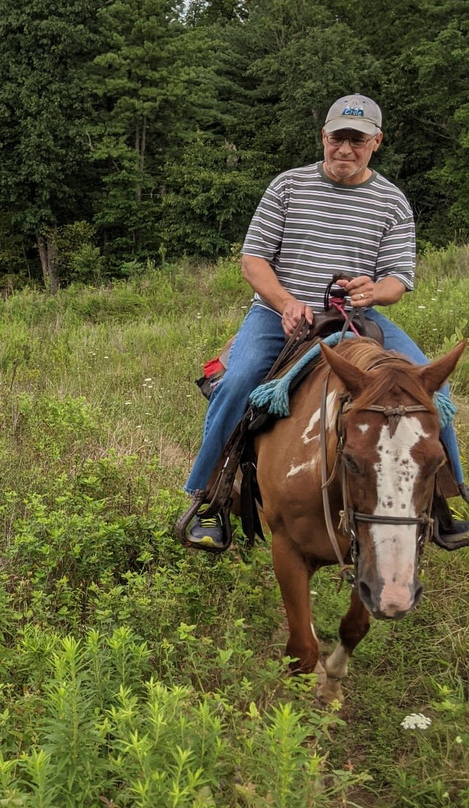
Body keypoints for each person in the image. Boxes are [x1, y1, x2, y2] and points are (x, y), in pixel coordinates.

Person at [181, 93, 469, 551]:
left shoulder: (392, 201)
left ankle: (445, 500)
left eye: (357, 141)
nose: (345, 150)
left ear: (376, 142)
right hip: (279, 313)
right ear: (324, 137)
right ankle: (208, 498)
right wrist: (285, 301)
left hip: (356, 315)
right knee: (238, 383)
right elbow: (253, 260)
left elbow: (399, 278)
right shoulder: (288, 186)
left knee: (433, 390)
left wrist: (373, 290)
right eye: (338, 139)